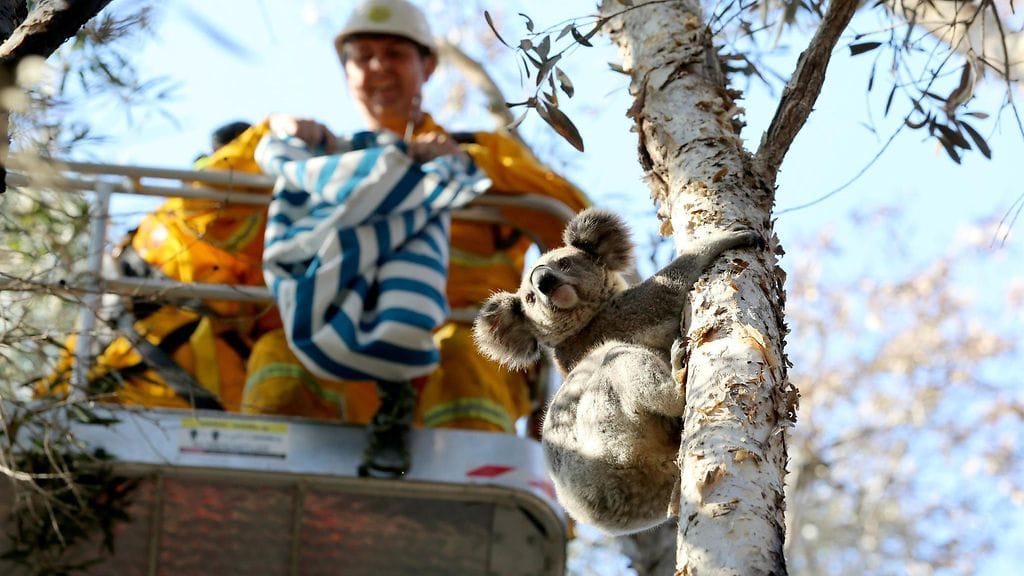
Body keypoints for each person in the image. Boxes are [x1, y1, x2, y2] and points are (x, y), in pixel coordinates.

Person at [214, 0, 590, 432]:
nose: (379, 67)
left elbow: (571, 214)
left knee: (464, 355)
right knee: (278, 357)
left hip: (464, 346)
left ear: (427, 65)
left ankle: (471, 492)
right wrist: (270, 133)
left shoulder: (481, 153)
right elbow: (204, 196)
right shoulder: (320, 168)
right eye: (363, 56)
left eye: (395, 53)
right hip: (339, 342)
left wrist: (470, 166)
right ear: (346, 69)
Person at [42, 121, 280, 411]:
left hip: (124, 386)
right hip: (173, 388)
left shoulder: (172, 228)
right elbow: (222, 179)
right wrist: (275, 128)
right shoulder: (195, 210)